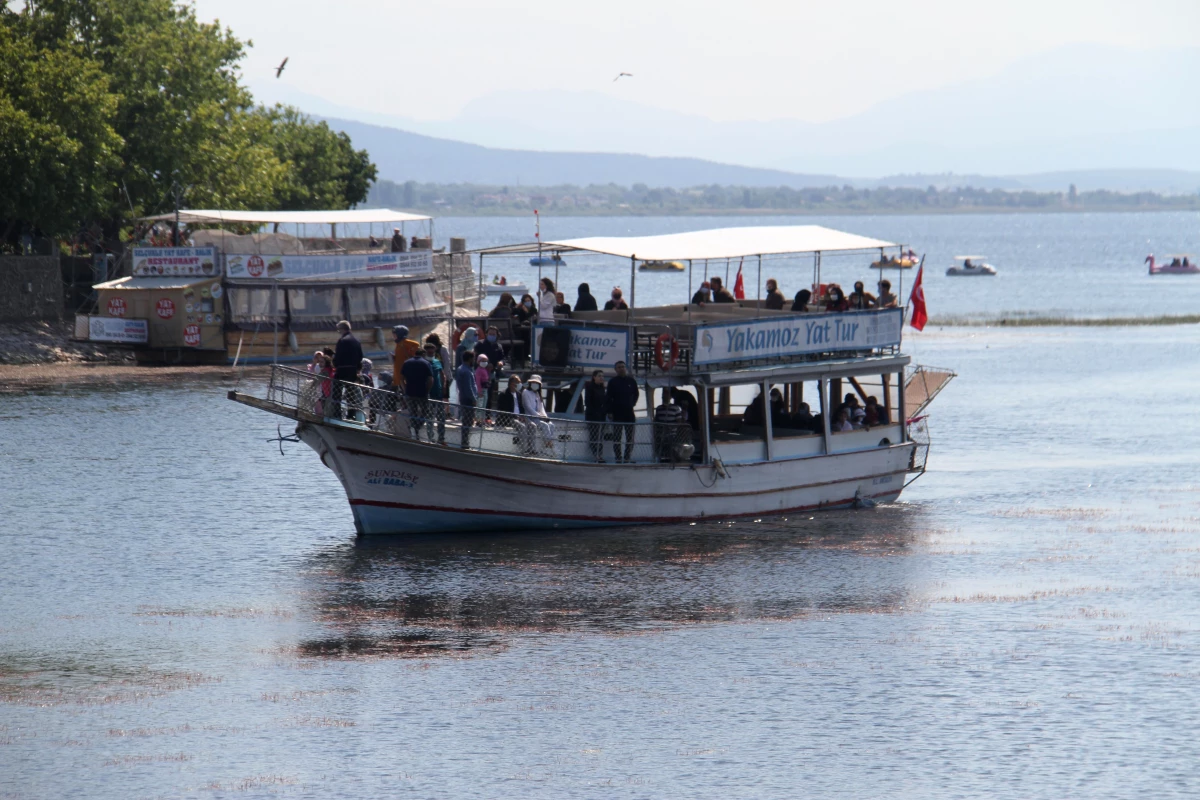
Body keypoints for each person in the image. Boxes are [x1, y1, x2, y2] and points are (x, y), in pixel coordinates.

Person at [606, 360, 639, 462]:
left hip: (629, 413)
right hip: (617, 413)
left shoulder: (631, 381)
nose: (621, 368)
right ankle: (618, 457)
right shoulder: (612, 382)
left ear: (626, 368)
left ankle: (627, 456)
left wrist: (632, 403)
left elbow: (636, 394)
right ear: (616, 370)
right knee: (617, 437)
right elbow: (608, 397)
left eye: (623, 367)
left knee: (630, 438)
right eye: (619, 367)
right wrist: (610, 412)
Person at [400, 348, 435, 439]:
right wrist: (427, 390)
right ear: (423, 354)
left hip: (409, 392)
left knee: (413, 412)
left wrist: (405, 389)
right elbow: (431, 379)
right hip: (422, 393)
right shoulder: (426, 363)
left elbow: (401, 378)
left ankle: (414, 432)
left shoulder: (406, 363)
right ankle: (417, 427)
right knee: (425, 412)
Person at [332, 320, 364, 419]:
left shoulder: (342, 341)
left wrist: (335, 364)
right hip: (353, 371)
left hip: (342, 370)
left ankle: (337, 415)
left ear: (342, 329)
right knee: (351, 395)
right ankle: (351, 415)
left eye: (338, 330)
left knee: (336, 393)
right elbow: (360, 356)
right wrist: (357, 368)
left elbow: (338, 357)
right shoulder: (356, 341)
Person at [520, 374, 555, 453]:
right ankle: (549, 443)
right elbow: (527, 407)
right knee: (545, 425)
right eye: (533, 382)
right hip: (530, 417)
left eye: (537, 383)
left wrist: (544, 416)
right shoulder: (525, 392)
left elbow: (541, 408)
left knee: (552, 425)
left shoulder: (537, 394)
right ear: (530, 383)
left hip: (538, 417)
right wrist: (538, 416)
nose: (535, 384)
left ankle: (546, 444)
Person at [475, 327, 505, 409]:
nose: (492, 336)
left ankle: (487, 416)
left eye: (494, 334)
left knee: (490, 395)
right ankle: (478, 416)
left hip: (492, 374)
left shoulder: (498, 346)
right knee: (481, 395)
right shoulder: (480, 344)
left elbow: (502, 358)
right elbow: (475, 358)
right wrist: (485, 364)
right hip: (481, 374)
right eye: (490, 334)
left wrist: (501, 362)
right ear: (486, 334)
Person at [454, 351, 478, 448]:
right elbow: (469, 388)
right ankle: (465, 443)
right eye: (473, 358)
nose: (474, 360)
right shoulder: (467, 371)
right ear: (469, 359)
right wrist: (474, 399)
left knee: (466, 420)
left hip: (463, 398)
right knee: (467, 421)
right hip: (468, 399)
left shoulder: (461, 369)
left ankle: (465, 441)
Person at [584, 370, 608, 462]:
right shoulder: (590, 387)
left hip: (601, 416)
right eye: (599, 376)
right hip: (592, 416)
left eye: (602, 376)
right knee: (594, 436)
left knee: (600, 436)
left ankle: (599, 455)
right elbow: (588, 402)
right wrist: (596, 412)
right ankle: (596, 455)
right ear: (594, 377)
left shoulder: (602, 388)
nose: (601, 378)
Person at [391, 325, 421, 391]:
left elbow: (416, 348)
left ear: (399, 334)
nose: (393, 336)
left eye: (394, 334)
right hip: (397, 376)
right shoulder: (398, 344)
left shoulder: (407, 343)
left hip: (404, 377)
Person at [425, 333, 453, 400]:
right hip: (433, 375)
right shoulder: (428, 350)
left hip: (444, 376)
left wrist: (444, 377)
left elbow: (447, 363)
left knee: (445, 396)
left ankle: (446, 410)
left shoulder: (443, 349)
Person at [473, 354, 492, 421]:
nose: (484, 362)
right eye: (483, 360)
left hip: (485, 389)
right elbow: (478, 382)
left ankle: (482, 420)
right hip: (481, 391)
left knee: (484, 406)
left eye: (485, 361)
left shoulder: (484, 369)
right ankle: (478, 420)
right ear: (478, 361)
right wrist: (479, 391)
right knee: (479, 406)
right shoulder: (478, 370)